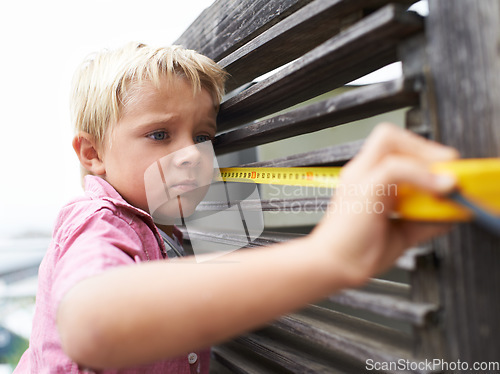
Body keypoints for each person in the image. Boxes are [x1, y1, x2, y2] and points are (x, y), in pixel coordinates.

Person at [15, 43, 459, 373]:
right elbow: (91, 321)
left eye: (204, 137)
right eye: (159, 135)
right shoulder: (100, 222)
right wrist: (328, 255)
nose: (192, 155)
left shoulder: (170, 224)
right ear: (93, 155)